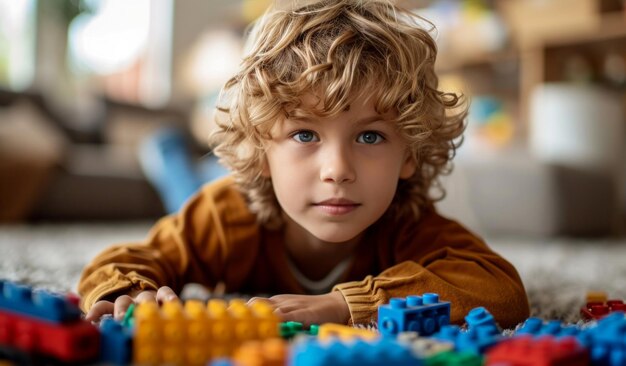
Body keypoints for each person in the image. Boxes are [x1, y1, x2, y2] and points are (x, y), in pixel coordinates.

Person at [79, 0, 529, 329]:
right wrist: (128, 292)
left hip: (274, 188)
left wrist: (345, 305)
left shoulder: (407, 222)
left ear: (409, 154)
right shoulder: (224, 216)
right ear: (261, 149)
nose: (337, 169)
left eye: (369, 136)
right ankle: (167, 153)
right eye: (305, 134)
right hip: (237, 188)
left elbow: (499, 288)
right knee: (188, 190)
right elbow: (125, 261)